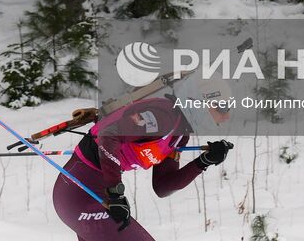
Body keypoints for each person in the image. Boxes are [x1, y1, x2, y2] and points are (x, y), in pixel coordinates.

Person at [52, 94, 232, 239]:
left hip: (89, 195)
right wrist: (115, 192)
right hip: (80, 191)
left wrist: (204, 161)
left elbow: (163, 186)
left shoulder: (178, 133)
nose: (226, 118)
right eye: (223, 108)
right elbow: (109, 135)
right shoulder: (164, 117)